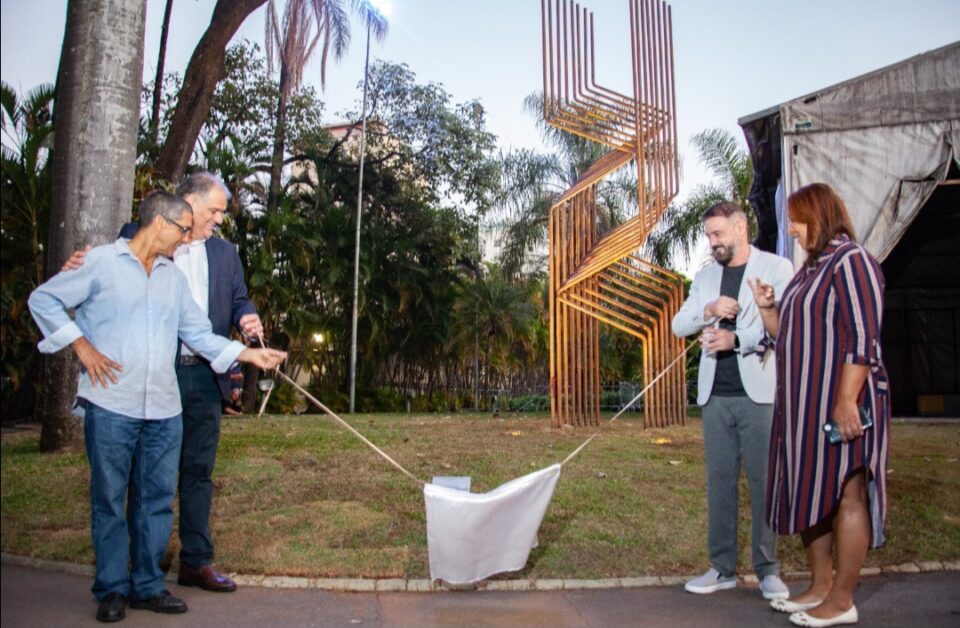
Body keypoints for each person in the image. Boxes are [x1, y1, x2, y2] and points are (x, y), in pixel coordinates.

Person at [29, 191, 287, 623]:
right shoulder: (101, 263)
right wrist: (81, 347)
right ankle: (112, 588)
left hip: (164, 409)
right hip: (111, 403)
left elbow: (199, 335)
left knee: (156, 500)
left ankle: (148, 585)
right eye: (184, 230)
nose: (187, 240)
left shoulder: (172, 278)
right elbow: (44, 300)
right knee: (110, 500)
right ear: (161, 224)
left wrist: (249, 355)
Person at [65, 172, 261, 593]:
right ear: (186, 203)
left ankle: (195, 561)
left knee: (197, 469)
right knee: (137, 476)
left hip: (204, 376)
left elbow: (236, 299)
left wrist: (246, 318)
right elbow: (89, 279)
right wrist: (73, 272)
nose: (217, 222)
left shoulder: (226, 254)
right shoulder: (137, 237)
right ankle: (135, 568)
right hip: (150, 374)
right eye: (213, 212)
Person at [749, 183, 889, 627]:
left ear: (820, 214)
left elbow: (864, 336)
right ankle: (820, 587)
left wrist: (847, 400)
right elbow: (786, 336)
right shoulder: (811, 270)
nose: (790, 228)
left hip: (839, 402)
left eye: (797, 218)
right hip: (803, 407)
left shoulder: (852, 262)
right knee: (812, 492)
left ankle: (842, 600)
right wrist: (769, 308)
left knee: (847, 492)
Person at [672, 201, 794, 600]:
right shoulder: (705, 277)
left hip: (758, 394)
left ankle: (768, 570)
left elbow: (786, 331)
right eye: (709, 236)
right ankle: (721, 568)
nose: (713, 242)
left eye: (718, 234)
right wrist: (707, 310)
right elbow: (678, 326)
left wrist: (737, 340)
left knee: (763, 482)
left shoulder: (777, 268)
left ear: (740, 228)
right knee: (720, 483)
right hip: (715, 396)